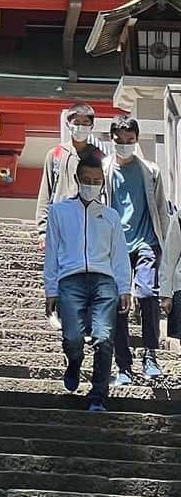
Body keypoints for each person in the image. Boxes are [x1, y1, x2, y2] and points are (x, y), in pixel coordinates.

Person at [44, 150, 132, 412]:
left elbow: (119, 255)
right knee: (72, 338)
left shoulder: (111, 216)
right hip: (70, 281)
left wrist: (125, 287)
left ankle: (97, 396)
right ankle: (74, 363)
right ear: (77, 178)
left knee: (104, 338)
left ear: (102, 183)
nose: (91, 185)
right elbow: (51, 252)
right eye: (86, 180)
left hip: (104, 281)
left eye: (96, 181)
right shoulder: (59, 212)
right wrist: (50, 289)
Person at [104, 116, 181, 384]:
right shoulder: (104, 171)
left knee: (147, 294)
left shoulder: (151, 171)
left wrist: (162, 243)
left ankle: (150, 354)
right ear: (111, 139)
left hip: (146, 241)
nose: (125, 145)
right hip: (114, 247)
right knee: (118, 304)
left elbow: (161, 209)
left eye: (130, 140)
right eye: (120, 140)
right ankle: (123, 365)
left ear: (136, 140)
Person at [36, 103, 101, 246]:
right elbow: (45, 193)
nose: (80, 127)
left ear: (92, 126)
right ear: (68, 124)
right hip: (59, 222)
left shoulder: (99, 156)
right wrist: (43, 229)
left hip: (90, 222)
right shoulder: (55, 154)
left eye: (85, 123)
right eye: (76, 122)